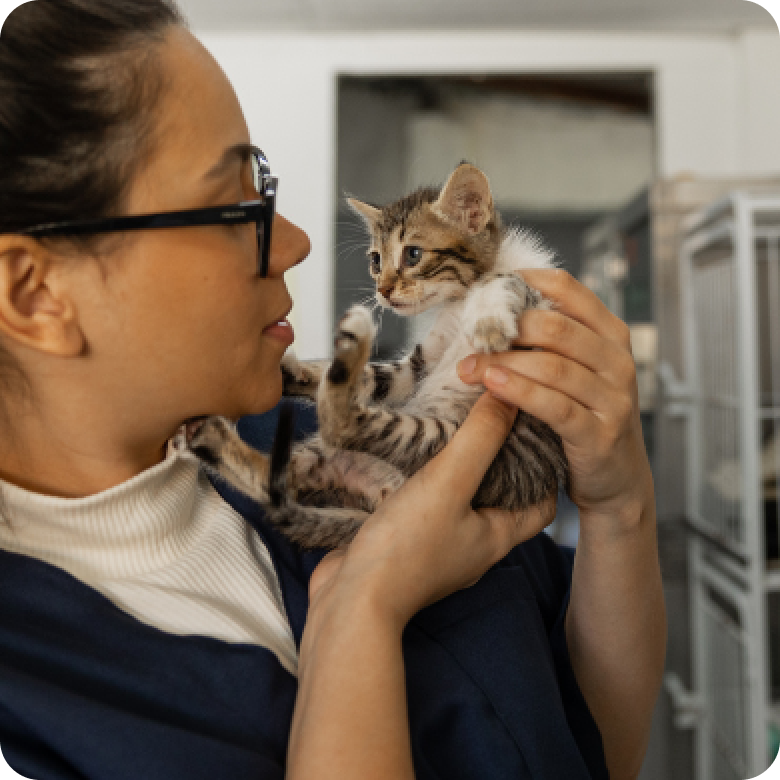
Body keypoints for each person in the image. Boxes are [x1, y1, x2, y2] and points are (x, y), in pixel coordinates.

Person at [0, 2, 666, 779]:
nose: (297, 241)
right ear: (36, 294)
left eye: (268, 187)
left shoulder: (312, 438)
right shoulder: (28, 691)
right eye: (237, 204)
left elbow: (595, 751)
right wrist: (363, 614)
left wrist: (622, 506)